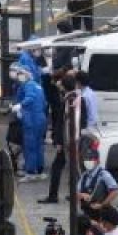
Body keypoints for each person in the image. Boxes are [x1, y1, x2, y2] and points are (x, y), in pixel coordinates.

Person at [40, 74, 78, 204]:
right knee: (73, 168)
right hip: (71, 139)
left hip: (66, 140)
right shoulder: (76, 98)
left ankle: (54, 195)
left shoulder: (69, 100)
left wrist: (59, 141)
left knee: (58, 167)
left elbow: (63, 123)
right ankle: (73, 193)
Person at [13, 65, 48, 181]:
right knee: (38, 146)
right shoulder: (38, 86)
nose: (18, 76)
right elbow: (43, 103)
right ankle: (39, 171)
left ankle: (30, 172)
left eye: (20, 73)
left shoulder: (28, 86)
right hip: (40, 118)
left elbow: (30, 98)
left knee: (30, 147)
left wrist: (20, 106)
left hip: (31, 120)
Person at [77, 149, 118, 217]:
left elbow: (115, 191)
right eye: (86, 159)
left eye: (91, 159)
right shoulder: (84, 175)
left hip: (100, 214)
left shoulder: (103, 174)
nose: (88, 161)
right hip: (86, 213)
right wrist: (82, 195)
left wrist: (102, 205)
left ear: (97, 161)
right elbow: (76, 193)